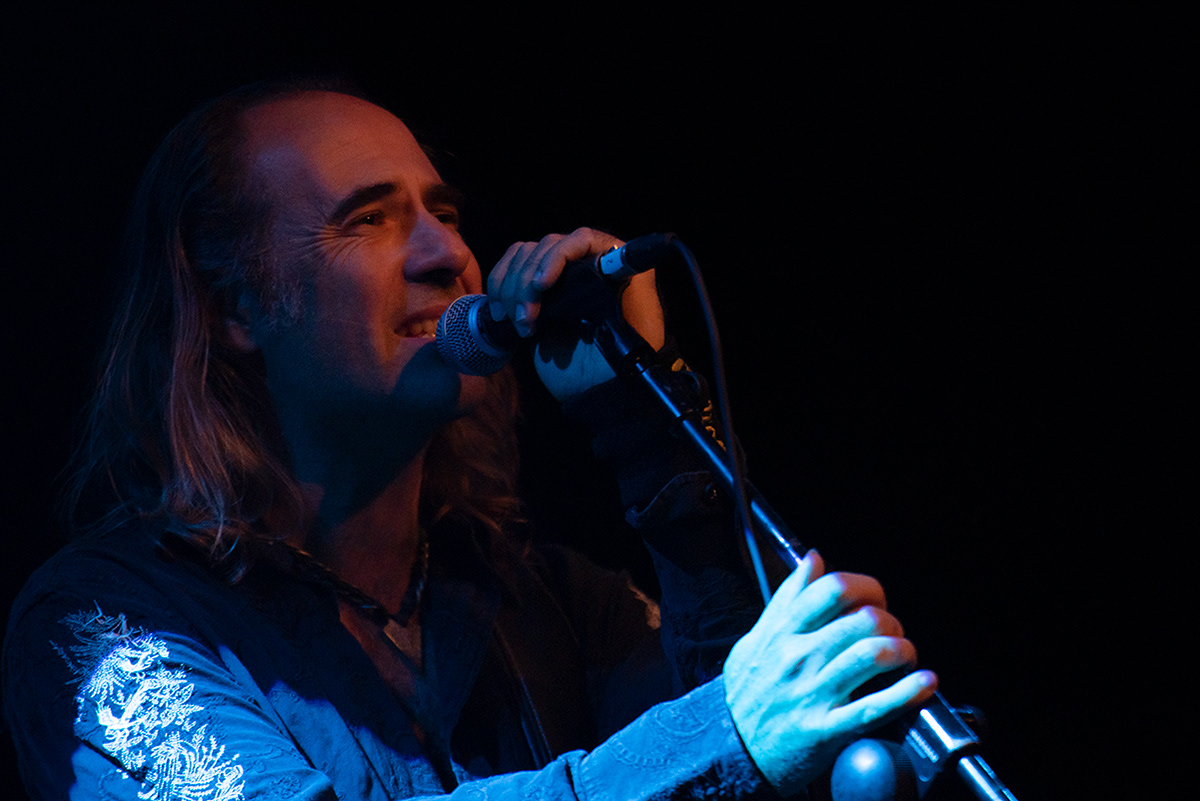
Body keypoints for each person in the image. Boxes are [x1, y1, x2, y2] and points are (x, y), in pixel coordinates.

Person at [3, 80, 937, 800]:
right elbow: (728, 731)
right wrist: (723, 738)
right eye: (368, 220)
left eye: (444, 214)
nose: (446, 254)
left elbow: (770, 743)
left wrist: (643, 423)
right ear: (234, 307)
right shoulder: (105, 626)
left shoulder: (550, 599)